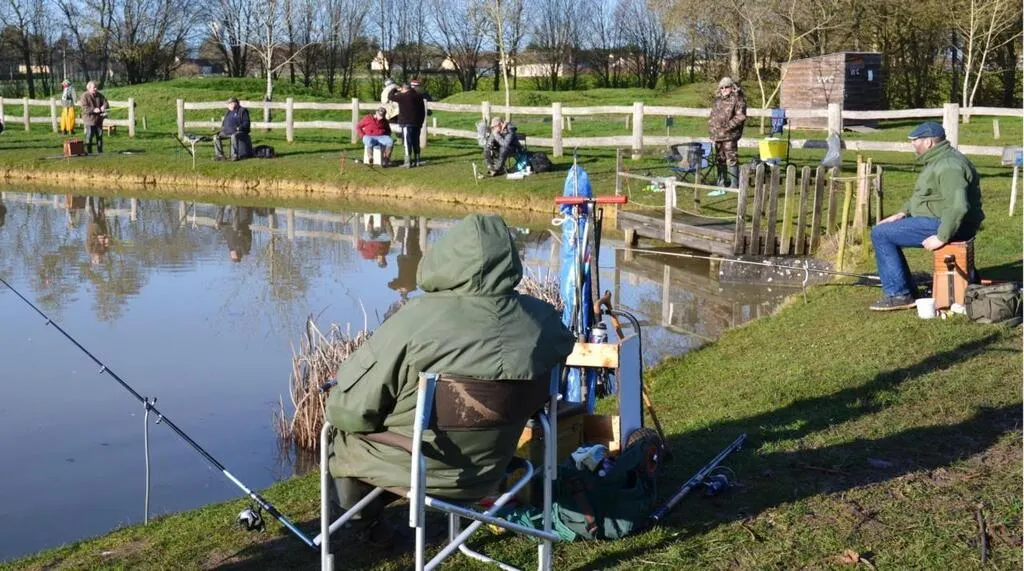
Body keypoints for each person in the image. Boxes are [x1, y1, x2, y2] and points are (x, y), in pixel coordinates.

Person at [324, 213, 575, 541]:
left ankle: (359, 524)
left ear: (444, 259)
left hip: (420, 468)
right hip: (494, 468)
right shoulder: (544, 321)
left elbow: (349, 412)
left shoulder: (413, 321)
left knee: (339, 434)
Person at [868, 121, 985, 311]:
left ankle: (899, 295)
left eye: (915, 140)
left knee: (881, 234)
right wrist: (902, 213)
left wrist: (942, 237)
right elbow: (927, 195)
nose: (912, 144)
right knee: (883, 229)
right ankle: (907, 291)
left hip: (949, 224)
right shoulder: (938, 159)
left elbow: (958, 206)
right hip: (941, 219)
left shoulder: (948, 165)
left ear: (929, 142)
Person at [707, 77, 747, 188]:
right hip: (717, 135)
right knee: (720, 159)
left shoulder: (738, 99)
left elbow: (740, 117)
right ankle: (721, 182)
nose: (724, 89)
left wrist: (727, 127)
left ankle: (734, 183)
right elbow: (713, 115)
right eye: (722, 87)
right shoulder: (718, 100)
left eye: (726, 87)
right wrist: (711, 127)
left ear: (732, 87)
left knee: (732, 159)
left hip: (730, 135)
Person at [388, 83, 427, 167]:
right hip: (417, 123)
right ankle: (417, 160)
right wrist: (421, 122)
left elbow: (390, 96)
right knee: (416, 141)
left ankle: (407, 161)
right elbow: (423, 111)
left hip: (406, 123)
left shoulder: (402, 96)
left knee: (407, 142)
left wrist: (395, 89)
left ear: (404, 89)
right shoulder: (419, 96)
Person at [386, 221, 423, 299]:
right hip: (406, 259)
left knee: (414, 240)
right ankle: (409, 222)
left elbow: (390, 284)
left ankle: (415, 222)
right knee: (407, 239)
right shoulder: (403, 284)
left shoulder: (413, 285)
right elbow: (390, 285)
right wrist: (397, 288)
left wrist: (398, 287)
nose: (401, 290)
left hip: (415, 258)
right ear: (404, 291)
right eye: (401, 291)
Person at [214, 97, 252, 161]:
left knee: (234, 136)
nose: (228, 106)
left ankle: (234, 155)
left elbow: (246, 123)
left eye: (230, 104)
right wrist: (223, 129)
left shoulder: (242, 111)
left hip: (240, 131)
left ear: (235, 103)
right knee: (216, 137)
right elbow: (224, 123)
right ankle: (219, 155)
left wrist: (239, 128)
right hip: (227, 131)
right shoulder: (228, 112)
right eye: (228, 104)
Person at [79, 81, 109, 154]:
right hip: (89, 119)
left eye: (96, 87)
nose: (96, 89)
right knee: (89, 136)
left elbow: (106, 102)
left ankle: (100, 151)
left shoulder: (99, 95)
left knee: (99, 136)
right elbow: (84, 108)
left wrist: (104, 106)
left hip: (99, 119)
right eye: (94, 87)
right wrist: (93, 110)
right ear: (89, 88)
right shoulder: (84, 96)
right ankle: (89, 152)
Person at [84, 197, 110, 264]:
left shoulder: (89, 250)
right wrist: (107, 239)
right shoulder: (104, 251)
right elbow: (108, 242)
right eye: (100, 260)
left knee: (92, 211)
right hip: (102, 229)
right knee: (101, 211)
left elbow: (88, 240)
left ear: (93, 258)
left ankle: (91, 196)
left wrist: (97, 238)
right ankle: (101, 197)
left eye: (97, 260)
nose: (99, 258)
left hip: (93, 228)